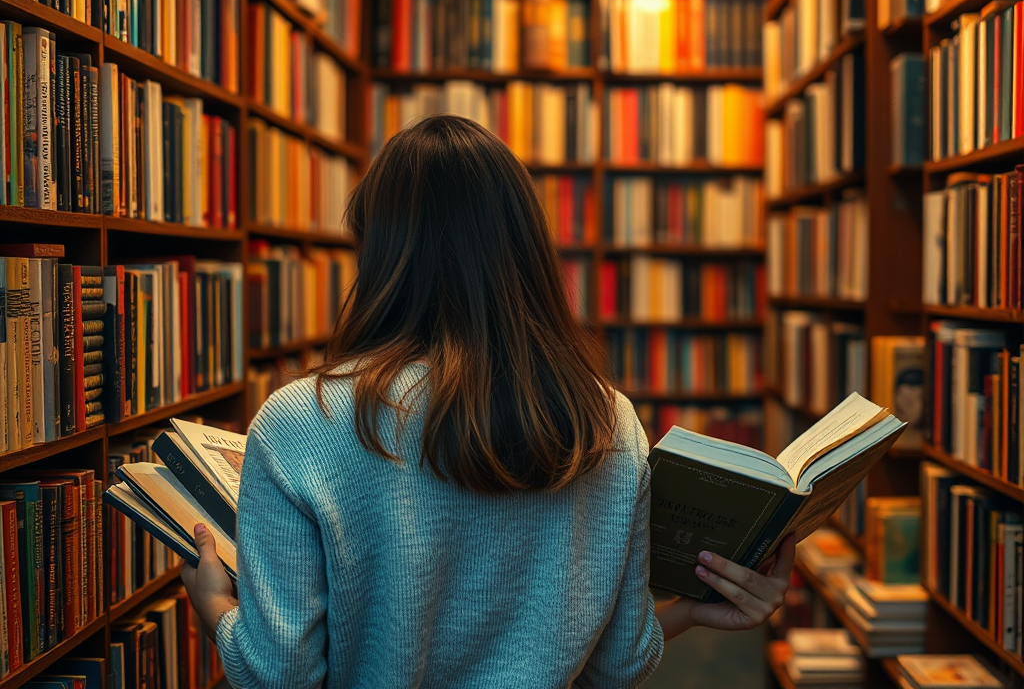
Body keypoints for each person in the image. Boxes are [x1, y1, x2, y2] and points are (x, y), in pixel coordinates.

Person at [181, 115, 794, 688]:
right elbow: (618, 664)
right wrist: (691, 610)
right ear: (525, 250)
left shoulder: (301, 424)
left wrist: (214, 607)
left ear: (380, 254)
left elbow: (280, 675)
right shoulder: (605, 420)